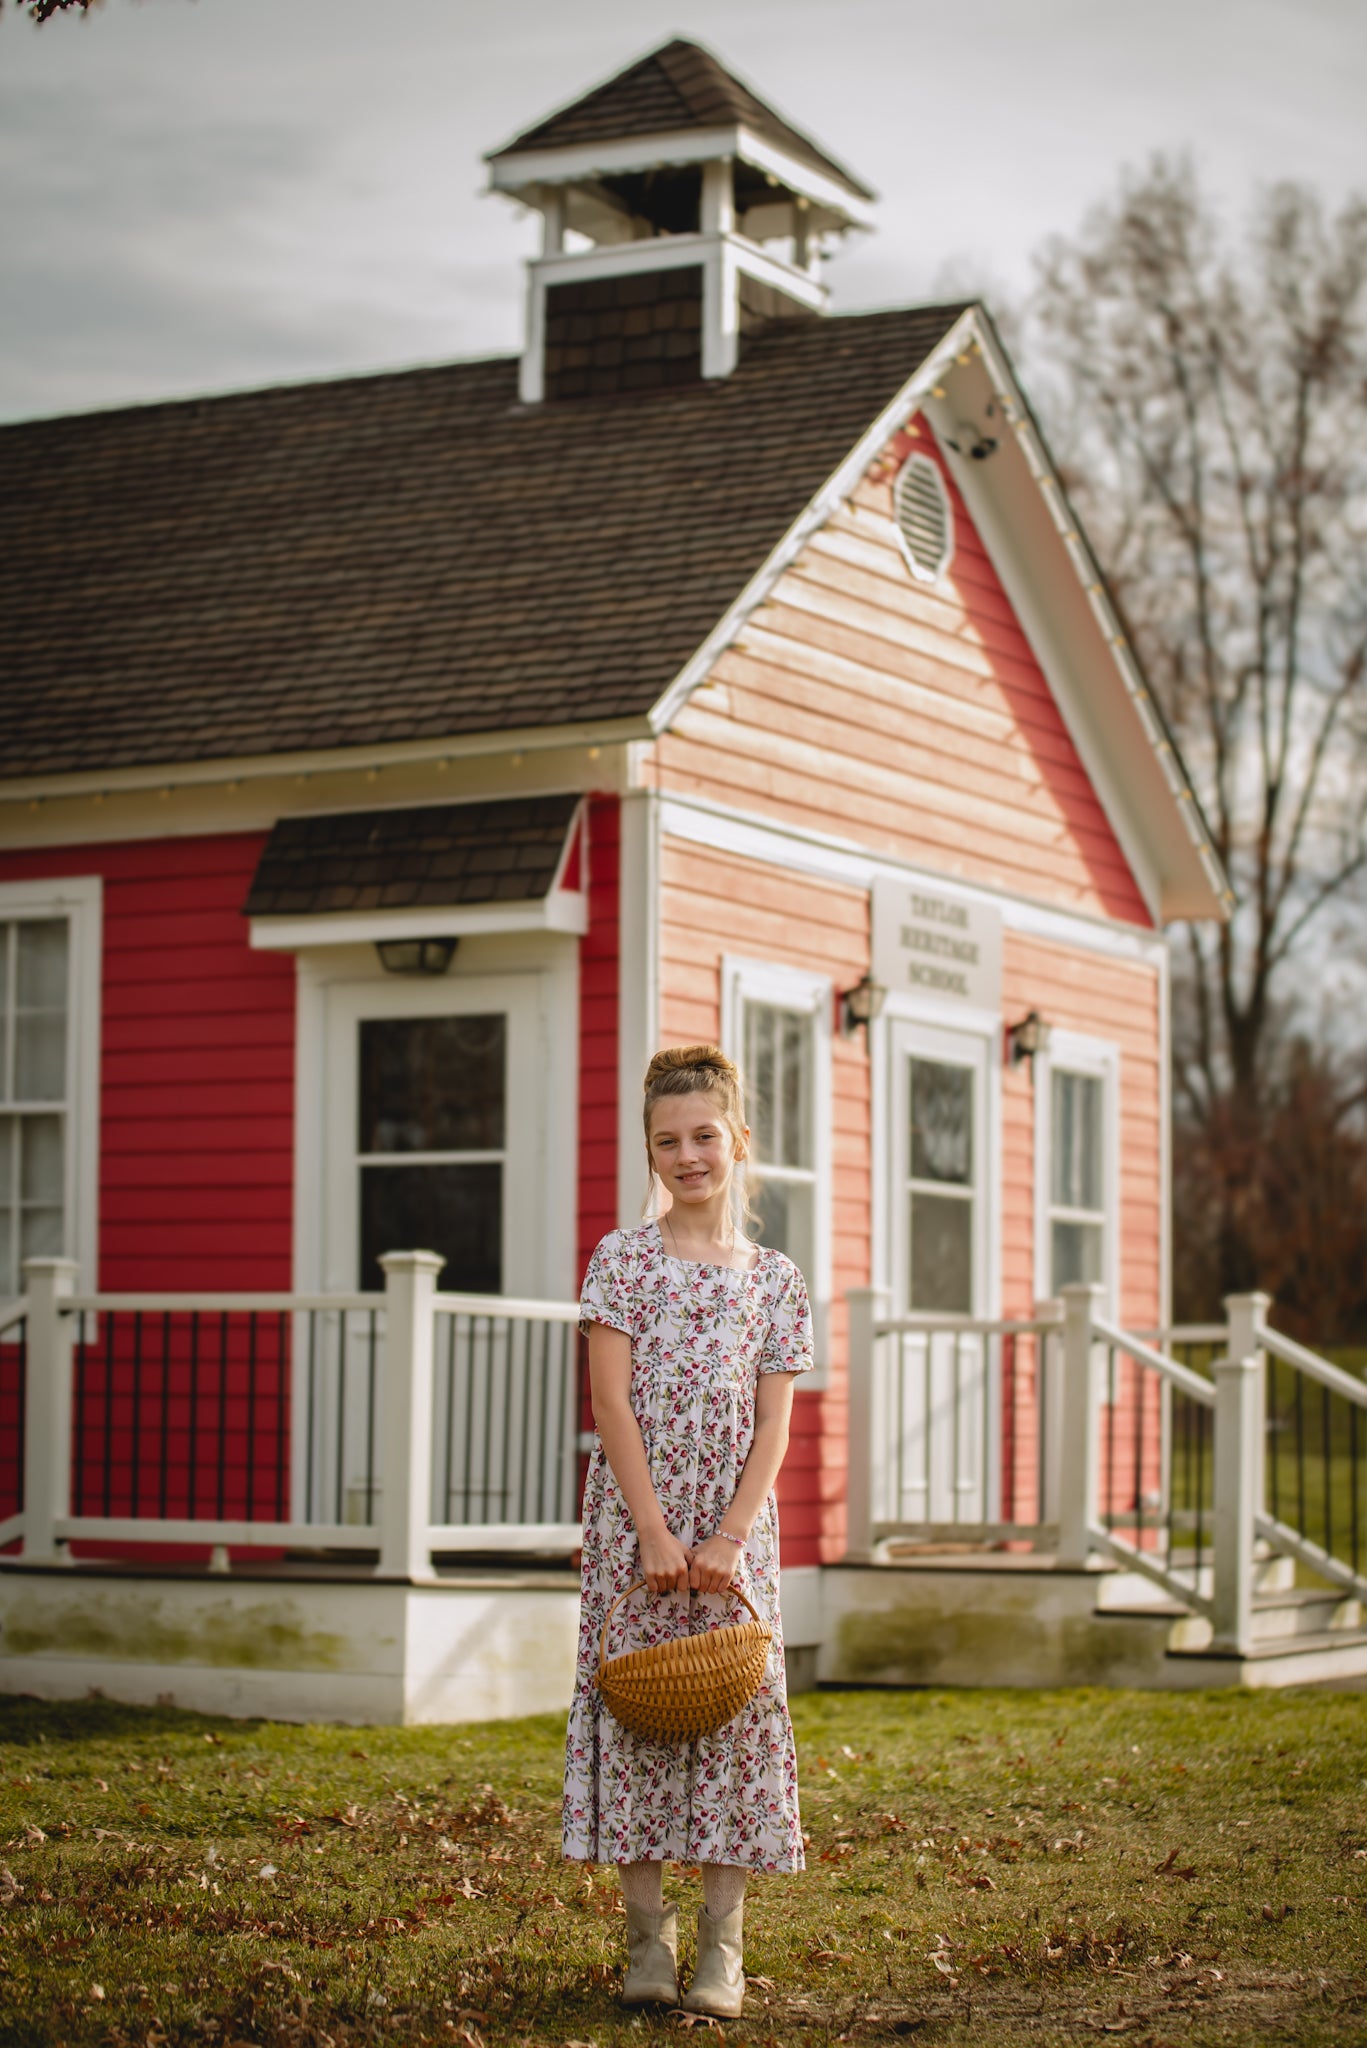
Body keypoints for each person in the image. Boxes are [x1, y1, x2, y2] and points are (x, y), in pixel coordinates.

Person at [563, 1043, 814, 2018]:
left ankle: (721, 1950)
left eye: (703, 1134)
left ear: (737, 1140)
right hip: (638, 1527)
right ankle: (646, 1943)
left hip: (730, 1532)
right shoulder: (621, 1259)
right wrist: (656, 1530)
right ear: (649, 1151)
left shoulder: (774, 1277)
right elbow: (610, 1404)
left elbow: (774, 1420)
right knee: (634, 1713)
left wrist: (727, 1536)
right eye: (666, 1139)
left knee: (731, 1721)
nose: (687, 1154)